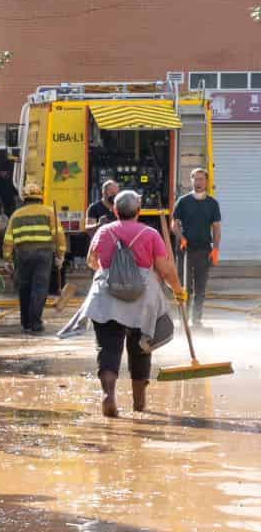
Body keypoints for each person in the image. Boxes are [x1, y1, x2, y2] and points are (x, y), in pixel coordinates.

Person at [83, 189, 184, 417]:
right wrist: (178, 291)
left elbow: (92, 261)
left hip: (106, 298)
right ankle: (139, 403)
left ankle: (108, 396)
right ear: (138, 211)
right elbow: (165, 268)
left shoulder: (103, 231)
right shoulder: (150, 234)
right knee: (140, 349)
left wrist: (114, 273)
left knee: (108, 347)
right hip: (142, 301)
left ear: (115, 210)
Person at [1, 181, 65, 334]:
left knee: (24, 288)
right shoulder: (49, 212)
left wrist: (8, 259)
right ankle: (36, 323)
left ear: (24, 198)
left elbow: (8, 239)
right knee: (40, 288)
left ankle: (25, 323)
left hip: (23, 254)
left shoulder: (16, 215)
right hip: (44, 255)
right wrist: (60, 256)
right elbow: (58, 236)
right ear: (40, 197)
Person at [168, 167, 220, 329]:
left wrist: (216, 248)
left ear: (206, 182)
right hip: (185, 250)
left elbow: (216, 227)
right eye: (195, 179)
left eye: (201, 179)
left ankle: (196, 320)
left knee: (200, 286)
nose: (198, 182)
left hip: (204, 250)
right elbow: (173, 223)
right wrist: (180, 236)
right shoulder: (183, 201)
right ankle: (183, 319)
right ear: (191, 181)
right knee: (184, 287)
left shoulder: (212, 203)